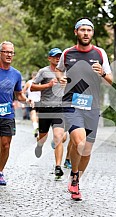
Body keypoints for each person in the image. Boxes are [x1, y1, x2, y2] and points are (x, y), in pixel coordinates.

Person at [56, 18, 112, 200]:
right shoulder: (67, 53)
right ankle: (73, 173)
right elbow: (59, 70)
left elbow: (111, 80)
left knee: (86, 150)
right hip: (71, 103)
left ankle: (76, 180)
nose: (86, 33)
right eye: (82, 30)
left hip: (92, 106)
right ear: (76, 32)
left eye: (89, 30)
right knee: (78, 141)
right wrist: (60, 78)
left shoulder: (100, 53)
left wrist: (102, 73)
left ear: (92, 33)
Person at [0, 41, 32, 185]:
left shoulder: (16, 74)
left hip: (7, 114)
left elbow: (19, 94)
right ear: (1, 53)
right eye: (6, 52)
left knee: (6, 145)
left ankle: (0, 172)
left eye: (11, 52)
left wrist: (27, 100)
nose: (9, 55)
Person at [30, 48, 65, 179]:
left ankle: (58, 167)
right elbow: (32, 87)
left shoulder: (65, 71)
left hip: (59, 109)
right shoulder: (43, 72)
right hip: (45, 109)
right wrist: (48, 85)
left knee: (58, 137)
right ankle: (39, 145)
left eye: (59, 56)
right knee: (43, 137)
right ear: (49, 58)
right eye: (55, 56)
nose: (57, 58)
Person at [23, 71, 41, 137]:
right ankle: (37, 126)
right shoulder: (40, 83)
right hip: (40, 101)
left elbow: (23, 92)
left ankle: (35, 126)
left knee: (33, 114)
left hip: (31, 101)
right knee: (37, 115)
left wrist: (25, 100)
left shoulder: (29, 82)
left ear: (32, 76)